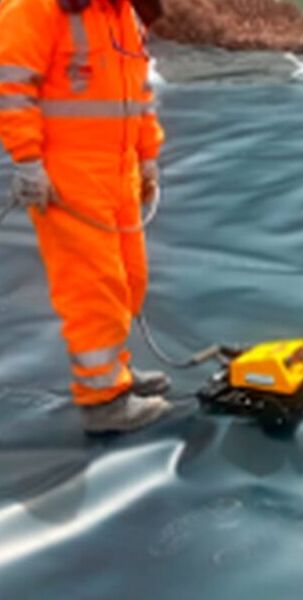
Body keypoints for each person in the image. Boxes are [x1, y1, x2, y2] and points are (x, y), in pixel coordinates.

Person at [0, 0, 173, 433]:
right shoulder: (37, 9)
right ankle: (103, 400)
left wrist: (147, 155)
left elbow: (139, 91)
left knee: (129, 278)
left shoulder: (122, 15)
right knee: (93, 288)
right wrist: (27, 162)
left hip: (119, 173)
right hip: (69, 176)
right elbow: (11, 85)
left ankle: (117, 371)